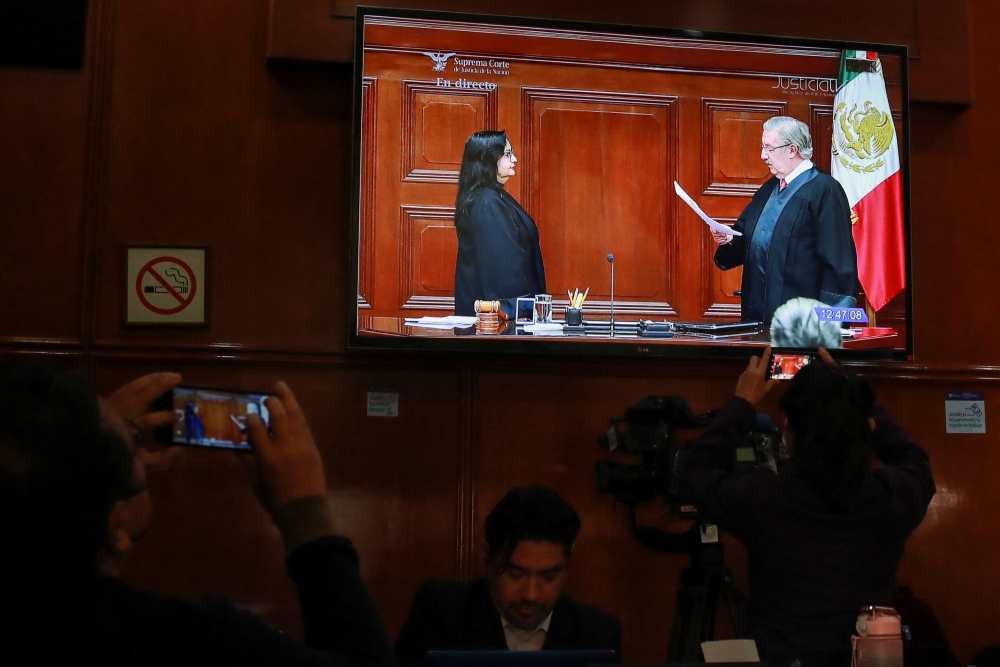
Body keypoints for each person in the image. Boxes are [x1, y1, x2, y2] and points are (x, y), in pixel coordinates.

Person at [0, 360, 395, 667]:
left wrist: (77, 442)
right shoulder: (191, 640)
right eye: (131, 438)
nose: (136, 440)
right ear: (117, 526)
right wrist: (308, 519)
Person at [678, 348, 935, 667]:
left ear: (787, 433)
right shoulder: (892, 496)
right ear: (868, 428)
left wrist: (742, 404)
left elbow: (695, 472)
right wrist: (849, 398)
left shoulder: (765, 498)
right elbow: (916, 462)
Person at [394, 487, 621, 666]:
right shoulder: (441, 614)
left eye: (549, 576)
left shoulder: (598, 633)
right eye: (515, 573)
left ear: (569, 562)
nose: (531, 594)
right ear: (489, 558)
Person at [712, 116, 859, 326]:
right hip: (757, 319)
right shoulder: (769, 189)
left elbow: (838, 265)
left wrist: (830, 328)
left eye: (769, 148)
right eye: (763, 147)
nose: (763, 156)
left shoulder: (825, 190)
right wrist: (730, 238)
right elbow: (747, 238)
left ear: (792, 150)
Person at [453, 130, 546, 316]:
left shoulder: (493, 196)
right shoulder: (487, 202)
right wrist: (518, 315)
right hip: (498, 321)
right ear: (488, 158)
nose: (515, 159)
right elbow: (502, 268)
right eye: (508, 154)